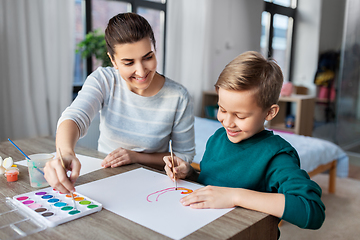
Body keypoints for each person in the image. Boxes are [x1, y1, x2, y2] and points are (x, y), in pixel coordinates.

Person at [163, 51, 325, 230]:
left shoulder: (277, 156)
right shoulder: (217, 138)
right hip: (204, 229)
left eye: (240, 115)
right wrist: (190, 174)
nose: (228, 122)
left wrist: (235, 196)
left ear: (270, 113)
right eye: (222, 109)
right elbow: (213, 184)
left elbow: (312, 210)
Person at [45, 13, 195, 194]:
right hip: (106, 178)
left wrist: (135, 157)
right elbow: (75, 116)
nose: (141, 71)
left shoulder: (178, 96)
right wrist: (65, 152)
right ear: (113, 60)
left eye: (148, 57)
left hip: (152, 184)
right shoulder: (104, 80)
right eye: (128, 62)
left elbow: (183, 157)